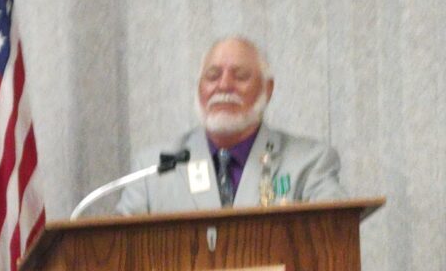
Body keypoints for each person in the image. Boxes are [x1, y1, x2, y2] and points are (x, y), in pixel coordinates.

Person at [116, 36, 346, 214]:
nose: (224, 85)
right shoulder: (152, 169)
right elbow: (121, 250)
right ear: (199, 88)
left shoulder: (310, 163)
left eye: (240, 76)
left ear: (267, 89)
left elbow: (335, 232)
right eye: (213, 76)